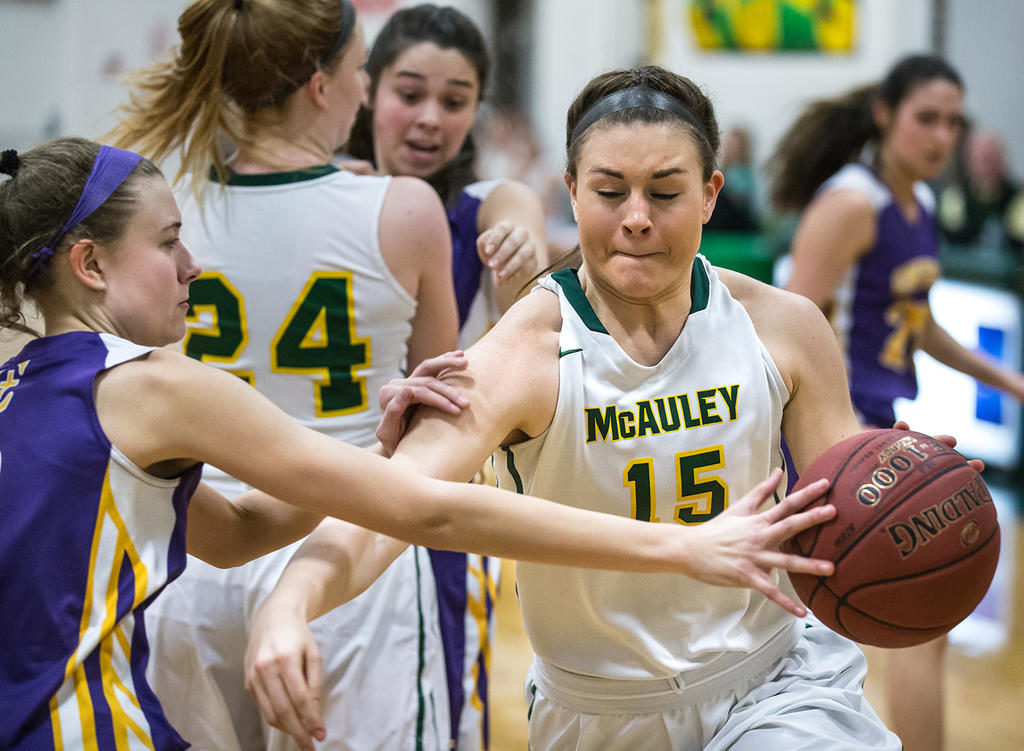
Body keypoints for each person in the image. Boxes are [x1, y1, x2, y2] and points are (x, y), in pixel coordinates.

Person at [0, 136, 845, 751]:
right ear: (90, 264)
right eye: (166, 240)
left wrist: (379, 446)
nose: (191, 265)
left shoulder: (23, 382)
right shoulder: (153, 385)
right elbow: (429, 510)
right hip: (77, 724)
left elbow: (236, 533)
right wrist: (687, 546)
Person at [244, 65, 908, 751]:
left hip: (777, 683)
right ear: (571, 190)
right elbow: (388, 505)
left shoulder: (785, 326)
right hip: (600, 712)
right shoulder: (525, 353)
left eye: (666, 192)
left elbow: (844, 517)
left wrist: (902, 488)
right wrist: (289, 602)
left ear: (711, 194)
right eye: (610, 191)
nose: (637, 217)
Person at [108, 1, 464, 748]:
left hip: (189, 553)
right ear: (318, 84)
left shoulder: (161, 209)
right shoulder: (402, 208)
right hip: (346, 548)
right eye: (358, 70)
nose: (365, 90)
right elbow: (442, 406)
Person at [768, 53, 1024, 751]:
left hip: (879, 432)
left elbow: (921, 323)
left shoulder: (921, 203)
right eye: (926, 118)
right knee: (890, 628)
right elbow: (788, 319)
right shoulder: (853, 202)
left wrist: (1008, 381)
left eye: (953, 122)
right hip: (830, 440)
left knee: (914, 625)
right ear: (885, 115)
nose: (942, 136)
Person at [338, 7, 550, 748]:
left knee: (446, 715)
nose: (430, 118)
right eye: (410, 92)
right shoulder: (328, 198)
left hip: (434, 501)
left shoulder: (477, 207)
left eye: (455, 100)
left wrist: (524, 235)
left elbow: (516, 203)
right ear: (364, 92)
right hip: (316, 479)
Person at [937, 127, 1024, 253]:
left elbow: (1019, 237)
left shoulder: (1017, 197)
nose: (988, 166)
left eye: (992, 158)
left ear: (1002, 161)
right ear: (969, 162)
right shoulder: (955, 196)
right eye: (982, 159)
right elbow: (951, 237)